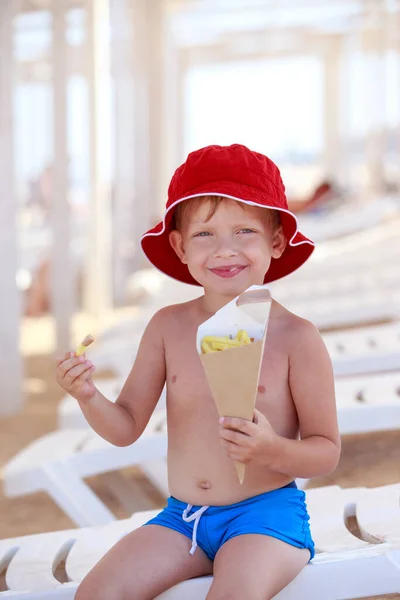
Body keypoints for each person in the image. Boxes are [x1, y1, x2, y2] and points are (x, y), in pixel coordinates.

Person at [56, 144, 340, 600]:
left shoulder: (296, 338)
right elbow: (126, 427)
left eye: (245, 230)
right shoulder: (168, 327)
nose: (225, 250)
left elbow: (326, 452)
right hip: (182, 518)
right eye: (205, 234)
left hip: (266, 517)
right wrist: (88, 396)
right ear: (179, 246)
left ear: (276, 241)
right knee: (97, 594)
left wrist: (271, 449)